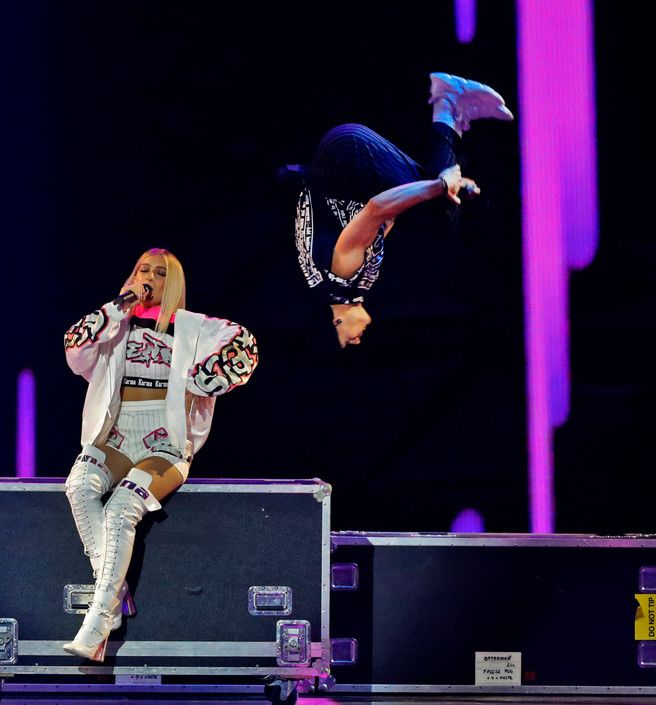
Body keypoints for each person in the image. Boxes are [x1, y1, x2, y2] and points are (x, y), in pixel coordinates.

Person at [61, 248, 259, 661]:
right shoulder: (116, 326)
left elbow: (245, 344)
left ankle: (97, 624)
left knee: (122, 507)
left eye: (159, 273)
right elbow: (75, 348)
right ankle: (114, 594)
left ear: (174, 284)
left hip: (164, 443)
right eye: (142, 270)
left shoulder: (193, 328)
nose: (148, 277)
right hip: (116, 435)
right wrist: (116, 308)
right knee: (78, 485)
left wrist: (202, 381)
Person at [291, 72, 513, 347]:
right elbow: (383, 217)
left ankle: (448, 101)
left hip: (346, 155)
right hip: (345, 166)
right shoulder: (342, 285)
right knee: (436, 208)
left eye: (347, 339)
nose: (356, 341)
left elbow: (376, 208)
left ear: (335, 323)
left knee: (438, 210)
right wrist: (441, 187)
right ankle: (452, 114)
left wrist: (441, 186)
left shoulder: (341, 274)